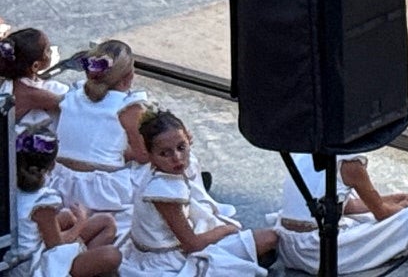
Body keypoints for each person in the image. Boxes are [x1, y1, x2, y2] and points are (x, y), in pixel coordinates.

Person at [124, 109, 277, 275]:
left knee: (268, 239)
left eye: (181, 147)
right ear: (150, 156)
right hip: (170, 261)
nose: (176, 157)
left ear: (189, 140)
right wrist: (225, 230)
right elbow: (192, 245)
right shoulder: (163, 191)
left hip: (177, 246)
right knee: (266, 240)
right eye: (164, 153)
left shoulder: (163, 171)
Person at [272, 149, 408, 273]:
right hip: (319, 253)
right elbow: (382, 213)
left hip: (288, 248)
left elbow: (349, 206)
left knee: (362, 215)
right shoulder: (350, 163)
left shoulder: (305, 147)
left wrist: (399, 198)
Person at [55, 42, 147, 237]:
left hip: (58, 183)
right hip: (102, 193)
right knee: (161, 160)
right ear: (129, 76)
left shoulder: (73, 93)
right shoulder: (129, 106)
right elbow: (143, 156)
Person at [14, 129, 124, 277]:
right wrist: (81, 221)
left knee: (103, 221)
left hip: (32, 248)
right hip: (34, 267)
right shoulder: (43, 200)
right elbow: (56, 246)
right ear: (53, 164)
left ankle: (85, 264)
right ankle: (84, 267)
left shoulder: (11, 186)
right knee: (112, 255)